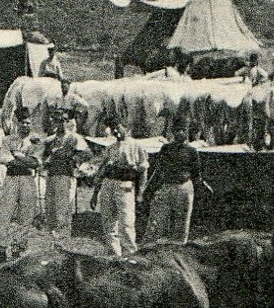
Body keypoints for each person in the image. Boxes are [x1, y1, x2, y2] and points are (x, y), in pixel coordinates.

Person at [0, 108, 45, 263]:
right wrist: (24, 159)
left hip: (28, 179)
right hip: (11, 179)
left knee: (25, 215)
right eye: (22, 122)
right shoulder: (9, 140)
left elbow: (35, 163)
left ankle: (18, 249)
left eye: (28, 122)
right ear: (17, 123)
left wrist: (18, 155)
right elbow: (5, 159)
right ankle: (0, 250)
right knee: (4, 214)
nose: (25, 125)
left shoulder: (35, 141)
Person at [91, 116, 149, 256]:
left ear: (125, 127)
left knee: (126, 223)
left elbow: (143, 170)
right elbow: (101, 171)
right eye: (112, 128)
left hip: (125, 185)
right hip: (108, 184)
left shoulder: (136, 146)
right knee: (108, 223)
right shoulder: (110, 148)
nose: (115, 131)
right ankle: (114, 256)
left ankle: (130, 256)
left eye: (117, 127)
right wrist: (95, 193)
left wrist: (141, 192)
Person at [145, 122, 202, 245]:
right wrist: (149, 188)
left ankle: (179, 247)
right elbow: (158, 171)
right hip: (167, 186)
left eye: (182, 129)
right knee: (156, 222)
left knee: (182, 224)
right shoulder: (166, 149)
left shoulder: (192, 151)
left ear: (186, 133)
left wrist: (200, 188)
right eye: (177, 130)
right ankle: (148, 247)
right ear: (173, 133)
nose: (180, 132)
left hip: (184, 187)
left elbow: (196, 174)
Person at [42, 110, 91, 238]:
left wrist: (71, 157)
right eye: (57, 120)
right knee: (50, 207)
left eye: (63, 120)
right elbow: (42, 155)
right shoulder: (50, 139)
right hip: (52, 175)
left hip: (66, 176)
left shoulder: (73, 138)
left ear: (66, 122)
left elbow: (87, 153)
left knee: (63, 207)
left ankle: (63, 235)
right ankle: (51, 234)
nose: (60, 123)